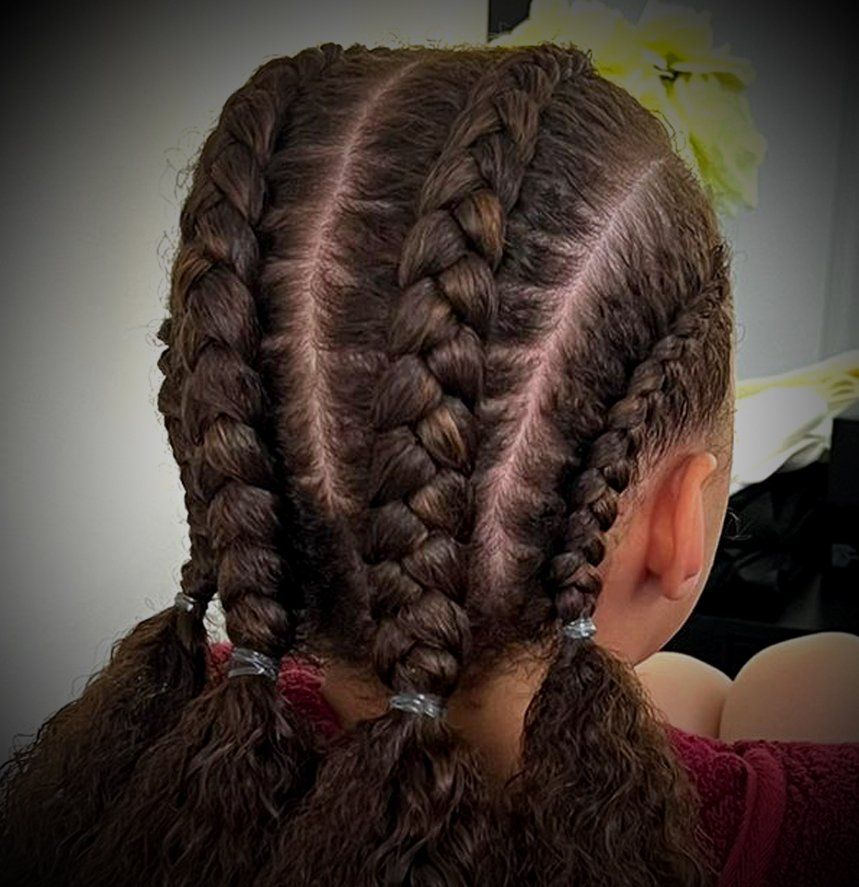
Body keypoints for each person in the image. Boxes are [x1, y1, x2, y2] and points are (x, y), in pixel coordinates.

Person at [1, 39, 857, 887]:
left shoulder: (148, 755)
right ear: (676, 526)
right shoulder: (814, 827)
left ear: (237, 464)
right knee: (805, 671)